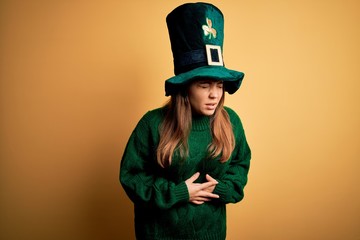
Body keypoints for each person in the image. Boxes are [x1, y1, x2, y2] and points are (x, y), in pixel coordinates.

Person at [120, 3, 251, 240]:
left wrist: (220, 188)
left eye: (219, 85)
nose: (215, 94)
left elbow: (240, 167)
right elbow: (131, 176)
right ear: (185, 88)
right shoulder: (152, 124)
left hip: (211, 233)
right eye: (204, 85)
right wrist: (179, 193)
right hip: (160, 234)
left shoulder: (231, 122)